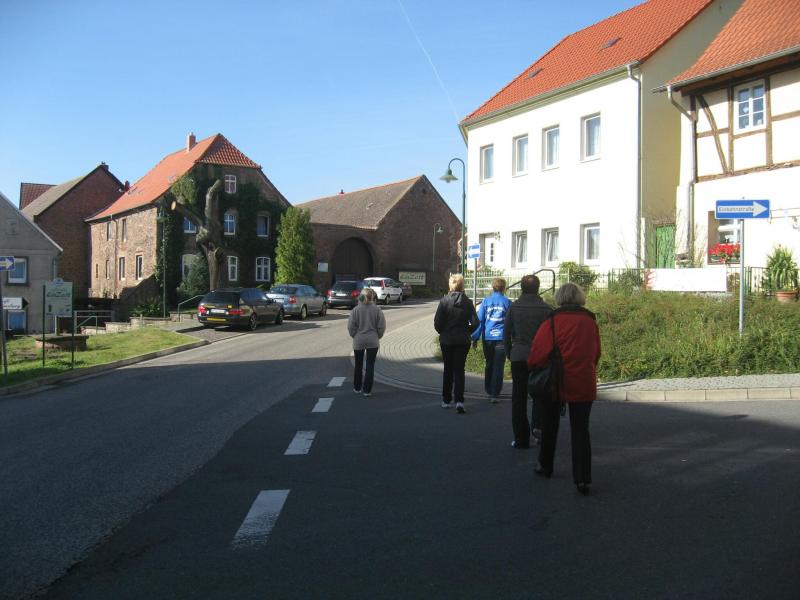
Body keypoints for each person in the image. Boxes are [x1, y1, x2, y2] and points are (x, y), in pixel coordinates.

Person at [527, 282, 601, 495]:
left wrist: (532, 367)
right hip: (583, 380)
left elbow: (538, 353)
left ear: (559, 297)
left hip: (555, 381)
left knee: (550, 425)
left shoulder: (552, 321)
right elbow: (596, 352)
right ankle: (582, 478)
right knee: (581, 430)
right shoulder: (590, 322)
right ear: (580, 298)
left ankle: (545, 465)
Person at [503, 275, 552, 449]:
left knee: (518, 398)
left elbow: (506, 333)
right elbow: (552, 335)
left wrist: (510, 352)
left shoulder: (514, 307)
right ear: (538, 288)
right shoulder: (547, 309)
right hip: (540, 357)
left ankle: (521, 438)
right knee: (540, 394)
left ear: (522, 288)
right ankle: (538, 429)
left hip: (519, 355)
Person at [434, 274, 478, 414]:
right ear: (462, 285)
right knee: (459, 370)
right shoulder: (467, 302)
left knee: (448, 369)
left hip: (447, 340)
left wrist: (443, 331)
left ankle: (446, 400)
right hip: (462, 340)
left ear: (450, 285)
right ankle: (459, 401)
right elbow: (476, 322)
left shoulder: (444, 301)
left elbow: (437, 323)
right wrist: (467, 331)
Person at [471, 277, 511, 403]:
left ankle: (488, 389)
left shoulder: (485, 301)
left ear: (493, 287)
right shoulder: (508, 302)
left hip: (488, 337)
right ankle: (495, 393)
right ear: (504, 288)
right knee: (498, 366)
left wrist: (475, 337)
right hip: (501, 338)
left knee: (489, 363)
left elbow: (480, 321)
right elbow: (510, 323)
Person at [347, 288, 386, 397]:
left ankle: (357, 387)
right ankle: (367, 391)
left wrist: (355, 335)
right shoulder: (377, 309)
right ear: (372, 297)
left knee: (358, 365)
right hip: (373, 340)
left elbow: (350, 327)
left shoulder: (356, 310)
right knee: (370, 365)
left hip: (359, 340)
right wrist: (377, 336)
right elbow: (381, 326)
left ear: (361, 296)